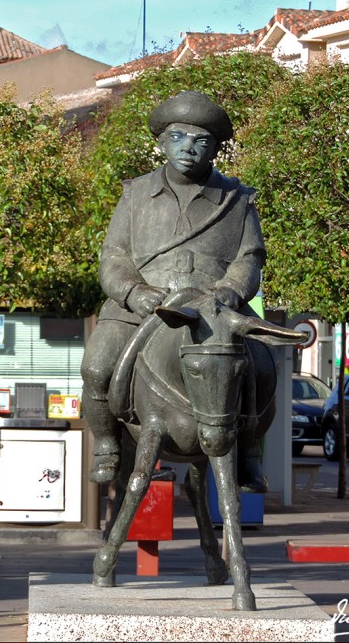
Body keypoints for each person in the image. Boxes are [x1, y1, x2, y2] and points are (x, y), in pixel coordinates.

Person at [81, 90, 269, 492]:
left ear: (216, 149)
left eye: (202, 141)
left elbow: (249, 257)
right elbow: (113, 256)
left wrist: (231, 292)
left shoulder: (237, 199)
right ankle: (108, 444)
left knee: (261, 366)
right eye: (180, 137)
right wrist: (133, 293)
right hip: (141, 306)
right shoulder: (135, 195)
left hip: (213, 307)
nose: (190, 148)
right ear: (162, 142)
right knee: (96, 368)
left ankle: (250, 451)